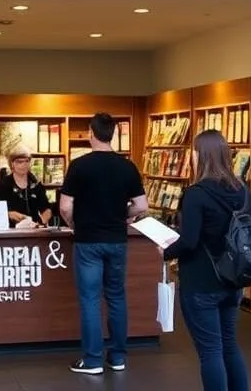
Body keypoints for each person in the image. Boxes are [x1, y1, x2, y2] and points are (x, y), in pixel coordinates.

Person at [161, 129, 251, 391]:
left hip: (201, 282)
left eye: (192, 151)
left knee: (210, 351)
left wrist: (165, 252)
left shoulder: (196, 194)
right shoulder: (243, 191)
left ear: (201, 156)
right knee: (229, 344)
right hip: (233, 279)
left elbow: (189, 240)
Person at [59, 112, 148, 375]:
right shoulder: (127, 166)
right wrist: (122, 214)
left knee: (90, 300)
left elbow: (65, 206)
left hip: (88, 241)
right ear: (113, 134)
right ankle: (118, 356)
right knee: (117, 297)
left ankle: (93, 359)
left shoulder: (79, 165)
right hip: (117, 240)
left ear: (90, 132)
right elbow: (141, 205)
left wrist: (76, 223)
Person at [0, 143, 53, 227]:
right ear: (12, 163)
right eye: (20, 162)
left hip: (34, 230)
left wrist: (43, 220)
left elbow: (46, 208)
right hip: (10, 231)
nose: (24, 165)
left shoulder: (35, 184)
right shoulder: (2, 185)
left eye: (27, 161)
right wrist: (9, 214)